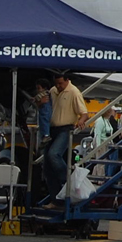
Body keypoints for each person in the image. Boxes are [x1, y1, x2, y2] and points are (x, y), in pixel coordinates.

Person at [38, 72, 88, 204]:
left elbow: (84, 112)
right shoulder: (53, 90)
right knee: (48, 167)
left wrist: (81, 121)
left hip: (66, 129)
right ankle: (55, 200)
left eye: (61, 83)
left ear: (67, 80)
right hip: (52, 129)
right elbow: (45, 107)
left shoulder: (74, 92)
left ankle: (67, 181)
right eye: (57, 83)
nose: (58, 86)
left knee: (54, 154)